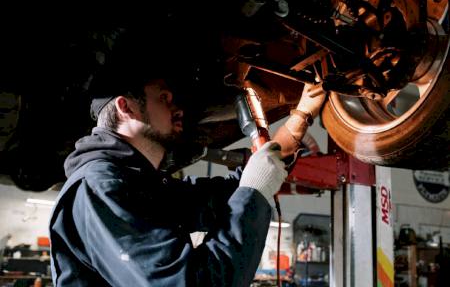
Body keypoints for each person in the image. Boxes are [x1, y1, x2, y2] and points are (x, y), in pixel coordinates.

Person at [49, 29, 326, 287]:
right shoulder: (99, 188)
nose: (177, 106)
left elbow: (228, 196)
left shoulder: (140, 186)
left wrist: (298, 121)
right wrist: (254, 192)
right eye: (164, 97)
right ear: (126, 107)